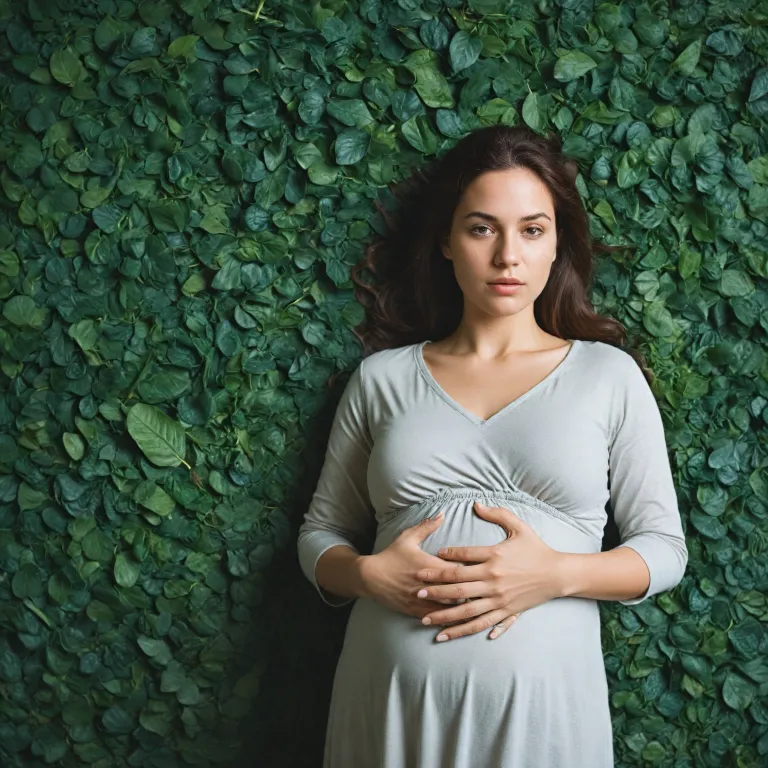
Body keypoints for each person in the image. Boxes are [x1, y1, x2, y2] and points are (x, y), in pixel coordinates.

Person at [296, 124, 688, 768]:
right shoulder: (383, 379)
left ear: (557, 244)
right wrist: (367, 574)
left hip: (544, 714)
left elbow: (665, 550)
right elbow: (320, 535)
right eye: (482, 229)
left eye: (532, 230)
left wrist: (555, 574)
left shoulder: (606, 376)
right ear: (447, 242)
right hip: (390, 703)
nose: (508, 256)